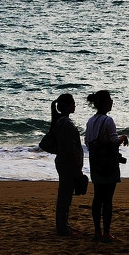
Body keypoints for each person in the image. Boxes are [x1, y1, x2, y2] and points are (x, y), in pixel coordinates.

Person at [85, 90, 128, 242]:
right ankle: (107, 233)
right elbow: (114, 141)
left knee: (97, 198)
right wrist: (123, 137)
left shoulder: (90, 121)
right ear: (104, 103)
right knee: (108, 200)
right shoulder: (108, 121)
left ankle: (97, 231)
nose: (112, 102)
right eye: (110, 100)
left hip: (95, 163)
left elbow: (87, 142)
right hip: (109, 164)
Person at [49, 93, 84, 237]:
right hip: (68, 164)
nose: (74, 105)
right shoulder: (67, 124)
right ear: (67, 106)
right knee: (65, 197)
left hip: (63, 162)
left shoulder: (60, 122)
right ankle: (63, 228)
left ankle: (64, 226)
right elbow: (70, 148)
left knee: (65, 195)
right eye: (72, 103)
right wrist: (77, 167)